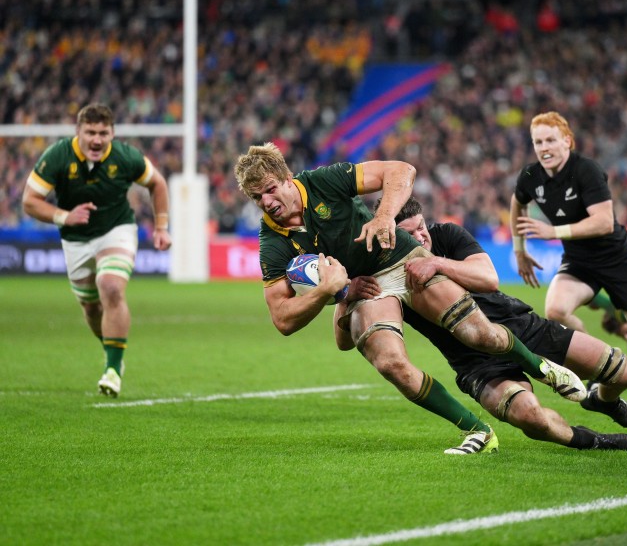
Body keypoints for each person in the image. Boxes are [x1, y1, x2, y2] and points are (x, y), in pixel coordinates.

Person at [233, 143, 586, 455]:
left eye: (269, 190)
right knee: (390, 364)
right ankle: (477, 430)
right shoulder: (272, 243)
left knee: (479, 335)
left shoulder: (322, 181)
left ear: (286, 178)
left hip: (399, 258)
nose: (266, 202)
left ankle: (541, 368)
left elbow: (402, 170)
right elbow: (282, 318)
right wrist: (332, 291)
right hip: (367, 287)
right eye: (256, 198)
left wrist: (385, 216)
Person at [335, 197, 627, 451]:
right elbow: (344, 342)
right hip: (474, 363)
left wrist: (436, 262)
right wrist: (344, 294)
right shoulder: (385, 272)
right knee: (531, 418)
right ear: (390, 237)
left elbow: (488, 278)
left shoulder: (447, 235)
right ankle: (594, 442)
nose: (419, 238)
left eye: (420, 228)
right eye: (408, 234)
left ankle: (603, 400)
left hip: (523, 327)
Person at [509, 111, 627, 420]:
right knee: (556, 311)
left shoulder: (587, 171)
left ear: (567, 141)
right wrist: (519, 249)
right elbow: (517, 202)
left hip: (618, 262)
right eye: (537, 142)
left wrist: (553, 232)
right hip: (578, 262)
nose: (544, 148)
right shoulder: (531, 176)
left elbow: (602, 222)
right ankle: (600, 364)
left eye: (550, 140)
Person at [21, 103, 172, 397]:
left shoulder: (126, 156)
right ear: (78, 132)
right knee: (91, 308)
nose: (97, 139)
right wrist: (64, 216)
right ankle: (113, 352)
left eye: (103, 133)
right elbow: (29, 200)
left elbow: (157, 183)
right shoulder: (57, 156)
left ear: (112, 133)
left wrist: (161, 227)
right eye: (90, 132)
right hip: (75, 239)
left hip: (116, 229)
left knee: (111, 286)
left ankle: (112, 369)